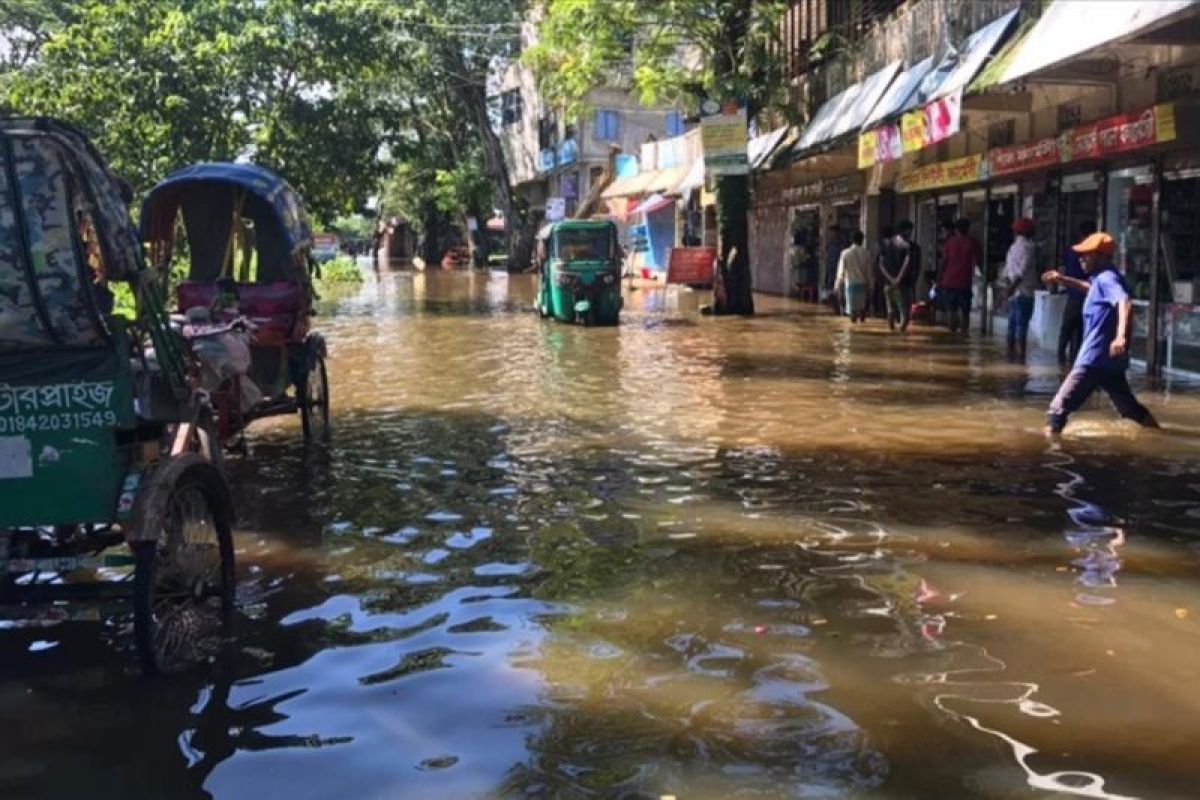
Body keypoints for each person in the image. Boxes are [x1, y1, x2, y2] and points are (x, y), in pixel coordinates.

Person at [1042, 232, 1159, 437]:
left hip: (1093, 358)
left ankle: (1048, 454)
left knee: (1057, 409)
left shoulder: (1107, 279)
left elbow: (1124, 302)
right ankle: (1160, 436)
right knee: (1130, 409)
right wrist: (1063, 280)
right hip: (1110, 361)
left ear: (1102, 257)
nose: (1081, 258)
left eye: (1087, 254)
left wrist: (1120, 336)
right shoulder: (1103, 279)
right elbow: (1091, 289)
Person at [1057, 220, 1096, 364]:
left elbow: (1065, 268)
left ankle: (1061, 361)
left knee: (1067, 330)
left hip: (1075, 296)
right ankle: (1071, 361)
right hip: (1084, 296)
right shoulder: (1089, 252)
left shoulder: (1073, 250)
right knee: (1077, 331)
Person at [1002, 217, 1039, 361]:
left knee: (1012, 328)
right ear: (1028, 231)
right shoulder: (1029, 248)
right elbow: (1021, 273)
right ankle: (1019, 360)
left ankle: (1009, 358)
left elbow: (1007, 272)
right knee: (1021, 329)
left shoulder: (1012, 248)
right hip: (1024, 293)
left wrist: (1008, 290)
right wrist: (1011, 288)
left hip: (1013, 295)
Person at [938, 217, 981, 335]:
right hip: (964, 283)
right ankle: (964, 336)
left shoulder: (950, 242)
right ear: (968, 228)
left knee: (952, 311)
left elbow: (944, 262)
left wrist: (939, 279)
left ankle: (953, 338)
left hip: (949, 282)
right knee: (965, 312)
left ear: (956, 229)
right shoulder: (973, 242)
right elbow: (979, 260)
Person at [834, 230, 872, 323]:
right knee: (862, 310)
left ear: (851, 240)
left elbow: (841, 272)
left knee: (852, 312)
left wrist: (837, 286)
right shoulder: (866, 253)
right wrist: (871, 286)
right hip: (863, 285)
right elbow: (869, 272)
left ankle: (853, 332)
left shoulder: (845, 253)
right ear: (862, 240)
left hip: (851, 285)